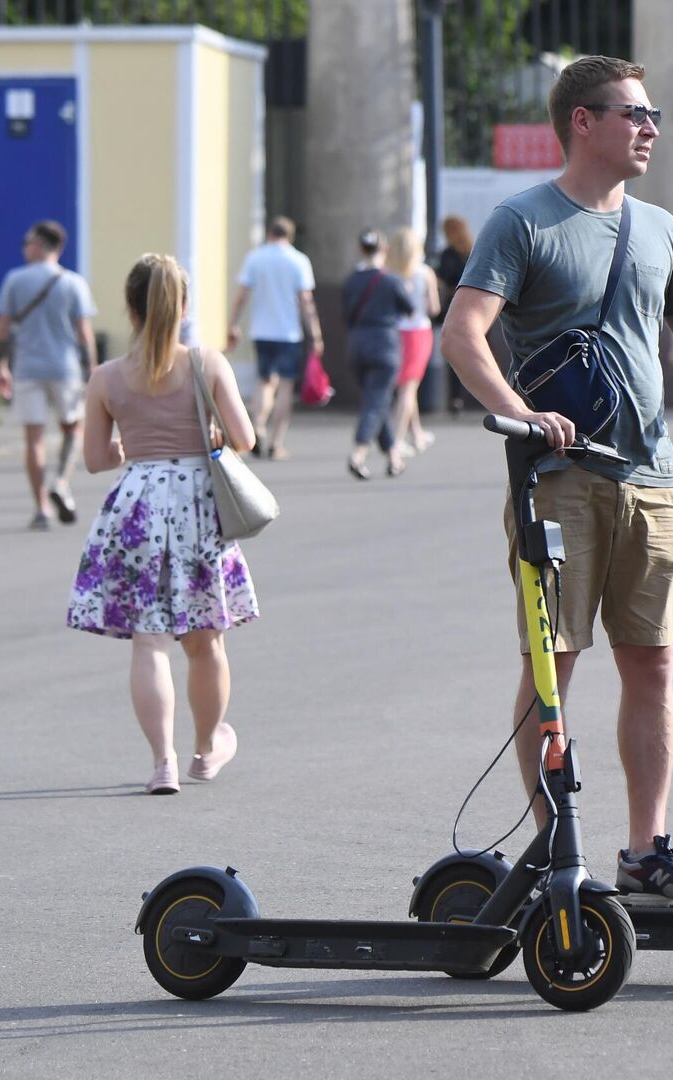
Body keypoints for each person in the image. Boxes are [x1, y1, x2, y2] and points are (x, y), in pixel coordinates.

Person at [441, 54, 673, 907]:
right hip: (561, 478)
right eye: (634, 114)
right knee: (551, 668)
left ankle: (647, 854)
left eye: (654, 116)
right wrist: (517, 412)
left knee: (654, 667)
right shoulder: (522, 222)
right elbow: (463, 333)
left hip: (652, 478)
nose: (649, 128)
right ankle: (550, 853)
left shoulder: (661, 229)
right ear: (582, 121)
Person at [69, 254, 258, 795]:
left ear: (131, 308)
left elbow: (96, 459)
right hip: (199, 501)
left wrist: (132, 441)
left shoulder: (107, 377)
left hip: (138, 505)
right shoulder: (206, 363)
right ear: (185, 306)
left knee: (149, 643)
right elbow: (244, 439)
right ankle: (206, 749)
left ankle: (162, 763)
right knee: (205, 642)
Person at [0, 220, 96, 530]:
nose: (25, 248)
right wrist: (92, 368)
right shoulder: (74, 283)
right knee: (71, 428)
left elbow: (2, 329)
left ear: (40, 245)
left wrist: (2, 365)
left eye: (28, 242)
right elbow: (84, 332)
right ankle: (61, 482)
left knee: (34, 439)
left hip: (27, 368)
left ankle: (40, 507)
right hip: (64, 369)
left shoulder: (15, 280)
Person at [225, 216, 322, 461]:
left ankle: (258, 427)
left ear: (269, 233)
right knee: (286, 386)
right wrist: (315, 333)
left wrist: (233, 324)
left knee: (264, 381)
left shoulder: (255, 258)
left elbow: (241, 295)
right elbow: (306, 301)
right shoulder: (298, 260)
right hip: (288, 333)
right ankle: (277, 442)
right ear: (289, 236)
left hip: (262, 330)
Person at [343, 229, 416, 480]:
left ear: (361, 250)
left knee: (377, 399)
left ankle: (394, 456)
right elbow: (410, 309)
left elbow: (346, 314)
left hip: (356, 344)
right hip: (385, 345)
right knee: (374, 401)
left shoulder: (352, 280)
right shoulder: (391, 280)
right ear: (383, 249)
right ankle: (358, 453)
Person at [385, 226, 441, 454]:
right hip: (418, 332)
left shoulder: (389, 273)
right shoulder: (425, 272)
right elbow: (434, 308)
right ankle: (396, 441)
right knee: (409, 387)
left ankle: (416, 433)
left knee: (406, 386)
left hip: (394, 332)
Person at [435, 214, 475, 413]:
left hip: (455, 303)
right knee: (478, 351)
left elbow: (443, 276)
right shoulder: (473, 250)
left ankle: (456, 398)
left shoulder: (448, 254)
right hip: (477, 306)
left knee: (455, 353)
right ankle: (475, 396)